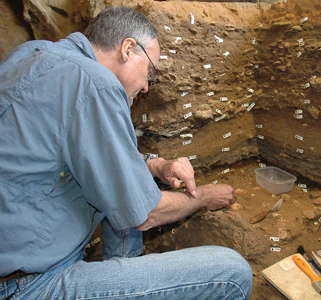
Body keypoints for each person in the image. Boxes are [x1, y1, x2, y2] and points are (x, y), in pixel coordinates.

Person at [0, 6, 252, 300]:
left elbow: (77, 151)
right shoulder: (96, 83)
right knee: (231, 273)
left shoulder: (32, 54)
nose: (146, 87)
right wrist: (203, 198)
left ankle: (125, 276)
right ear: (128, 49)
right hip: (27, 284)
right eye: (149, 73)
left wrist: (156, 165)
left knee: (118, 195)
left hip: (16, 245)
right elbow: (144, 215)